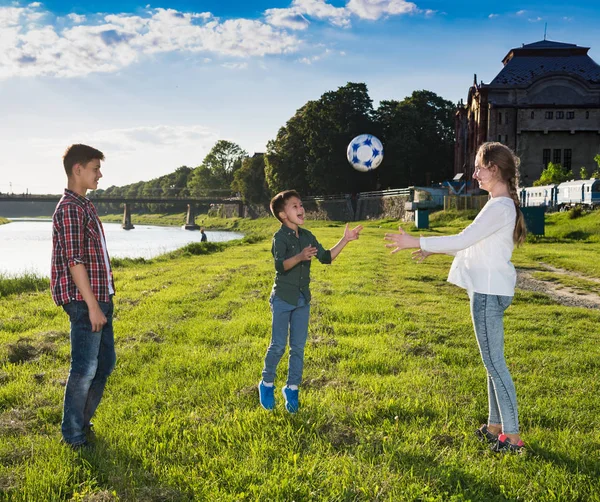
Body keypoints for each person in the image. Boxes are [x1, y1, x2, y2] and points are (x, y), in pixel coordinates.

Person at [384, 142, 527, 453]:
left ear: (495, 169)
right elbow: (471, 244)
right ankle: (494, 426)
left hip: (489, 293)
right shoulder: (498, 205)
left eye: (479, 167)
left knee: (495, 364)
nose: (474, 173)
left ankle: (513, 438)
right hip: (489, 290)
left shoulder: (500, 206)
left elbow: (464, 239)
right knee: (492, 363)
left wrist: (414, 240)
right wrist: (428, 247)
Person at [259, 190, 363, 413]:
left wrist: (345, 240)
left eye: (301, 205)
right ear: (283, 214)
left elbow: (326, 258)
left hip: (302, 300)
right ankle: (267, 383)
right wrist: (299, 257)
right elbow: (280, 266)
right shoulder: (279, 238)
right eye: (294, 206)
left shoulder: (307, 236)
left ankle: (292, 389)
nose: (301, 209)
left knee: (298, 348)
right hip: (282, 299)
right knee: (278, 345)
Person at [51, 144, 116, 449]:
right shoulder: (69, 209)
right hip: (84, 301)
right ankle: (73, 435)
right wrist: (91, 306)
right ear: (78, 169)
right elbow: (74, 261)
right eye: (95, 168)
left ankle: (81, 421)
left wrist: (103, 300)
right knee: (85, 367)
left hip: (100, 298)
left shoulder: (85, 205)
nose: (100, 174)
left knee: (104, 364)